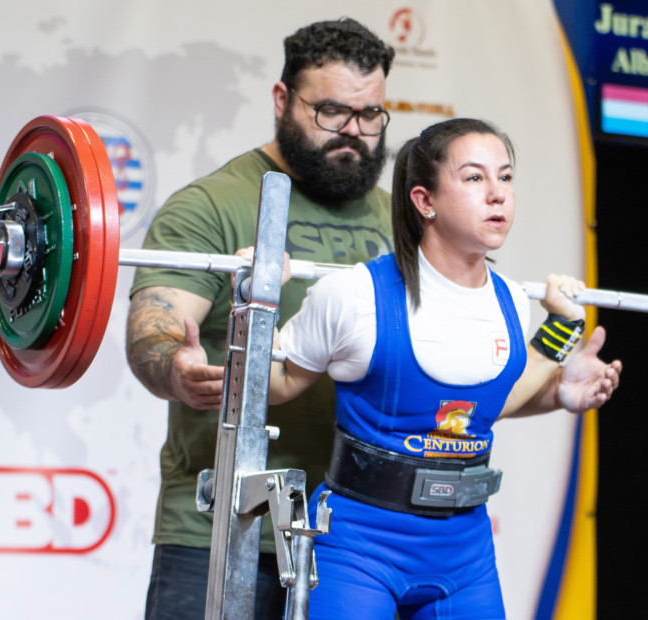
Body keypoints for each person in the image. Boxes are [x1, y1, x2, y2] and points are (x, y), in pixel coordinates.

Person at [263, 117, 622, 619]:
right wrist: (256, 304)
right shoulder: (353, 296)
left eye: (506, 177)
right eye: (475, 178)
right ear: (424, 201)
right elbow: (270, 388)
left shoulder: (514, 306)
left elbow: (481, 410)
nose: (497, 194)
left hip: (464, 552)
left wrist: (560, 356)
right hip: (359, 546)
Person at [125, 18, 396, 620]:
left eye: (370, 115)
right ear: (282, 100)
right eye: (330, 111)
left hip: (357, 536)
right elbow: (155, 324)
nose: (353, 131)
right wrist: (177, 367)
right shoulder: (213, 203)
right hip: (220, 526)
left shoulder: (401, 221)